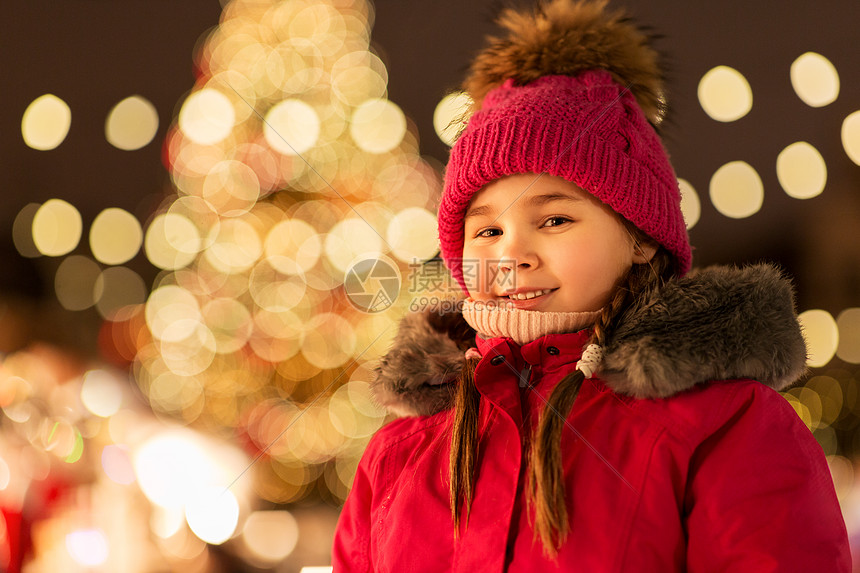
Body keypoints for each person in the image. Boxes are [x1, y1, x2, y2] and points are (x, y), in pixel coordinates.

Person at [331, 0, 851, 570]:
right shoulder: (399, 455)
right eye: (486, 229)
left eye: (554, 220)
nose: (512, 254)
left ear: (640, 237)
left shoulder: (724, 424)